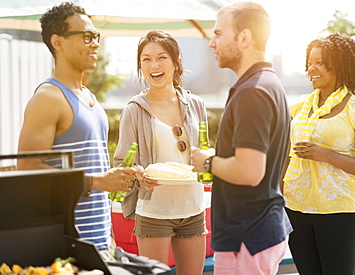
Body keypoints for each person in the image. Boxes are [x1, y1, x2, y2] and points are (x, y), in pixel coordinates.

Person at [17, 2, 138, 254]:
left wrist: (116, 180)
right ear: (58, 42)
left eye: (96, 36)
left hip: (100, 240)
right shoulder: (48, 98)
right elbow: (26, 169)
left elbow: (92, 167)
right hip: (66, 244)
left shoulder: (88, 96)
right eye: (86, 36)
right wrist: (97, 181)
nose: (95, 43)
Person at [191, 2, 292, 275]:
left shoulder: (252, 91)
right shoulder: (267, 83)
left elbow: (249, 171)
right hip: (262, 228)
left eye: (219, 33)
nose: (212, 43)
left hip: (247, 235)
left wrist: (207, 161)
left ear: (244, 38)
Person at [113, 30, 208, 275]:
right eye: (146, 59)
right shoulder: (134, 110)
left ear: (177, 63)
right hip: (155, 210)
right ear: (140, 66)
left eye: (161, 57)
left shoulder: (196, 104)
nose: (154, 65)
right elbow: (123, 161)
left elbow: (204, 149)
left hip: (193, 207)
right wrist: (137, 172)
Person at [282, 33, 355, 275]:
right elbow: (283, 151)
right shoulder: (301, 106)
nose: (311, 68)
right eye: (309, 63)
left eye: (320, 62)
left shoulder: (352, 106)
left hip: (339, 211)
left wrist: (325, 155)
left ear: (341, 64)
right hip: (296, 208)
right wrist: (276, 194)